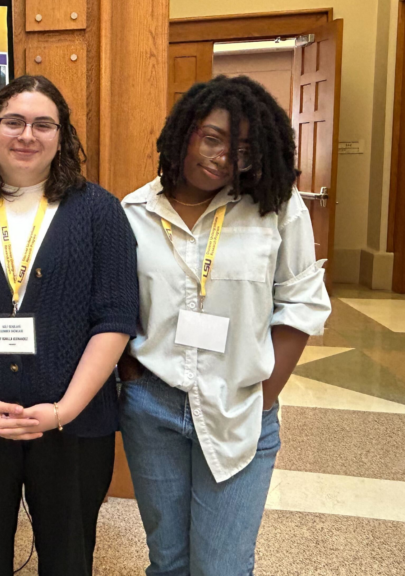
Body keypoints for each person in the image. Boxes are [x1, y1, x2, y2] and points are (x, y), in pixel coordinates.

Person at [0, 75, 138, 576]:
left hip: (74, 426)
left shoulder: (100, 213)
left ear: (62, 136)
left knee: (68, 557)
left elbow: (117, 318)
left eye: (43, 124)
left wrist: (63, 410)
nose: (26, 135)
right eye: (13, 121)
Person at [119, 75, 332, 575]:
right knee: (167, 562)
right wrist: (132, 379)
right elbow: (117, 310)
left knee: (223, 567)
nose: (222, 159)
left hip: (241, 407)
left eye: (241, 150)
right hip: (153, 408)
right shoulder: (134, 213)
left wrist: (264, 399)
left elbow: (301, 303)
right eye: (212, 139)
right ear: (185, 131)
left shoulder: (276, 209)